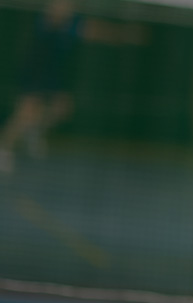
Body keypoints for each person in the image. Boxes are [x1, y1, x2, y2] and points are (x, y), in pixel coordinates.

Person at [0, 0, 143, 175]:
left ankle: (34, 131)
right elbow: (55, 19)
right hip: (34, 69)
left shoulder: (74, 24)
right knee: (27, 112)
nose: (66, 7)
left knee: (62, 109)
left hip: (53, 71)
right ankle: (4, 148)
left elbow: (98, 31)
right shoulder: (47, 20)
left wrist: (126, 34)